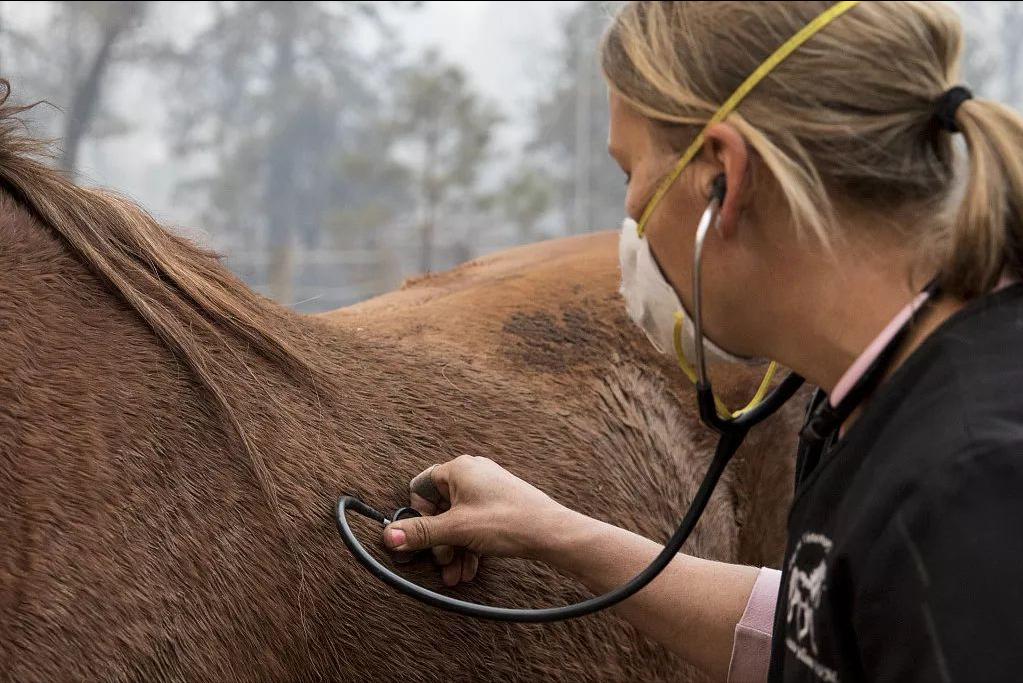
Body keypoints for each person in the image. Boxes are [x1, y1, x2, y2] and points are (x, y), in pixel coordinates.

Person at [381, 2, 1023, 681]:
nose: (628, 215)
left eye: (630, 174)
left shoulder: (969, 485)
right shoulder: (882, 401)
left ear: (723, 173)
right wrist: (548, 530)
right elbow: (831, 633)